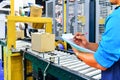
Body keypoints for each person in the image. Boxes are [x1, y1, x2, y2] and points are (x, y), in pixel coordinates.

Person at [72, 0, 120, 80]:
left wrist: (78, 53)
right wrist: (87, 45)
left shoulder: (116, 18)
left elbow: (101, 63)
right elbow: (112, 48)